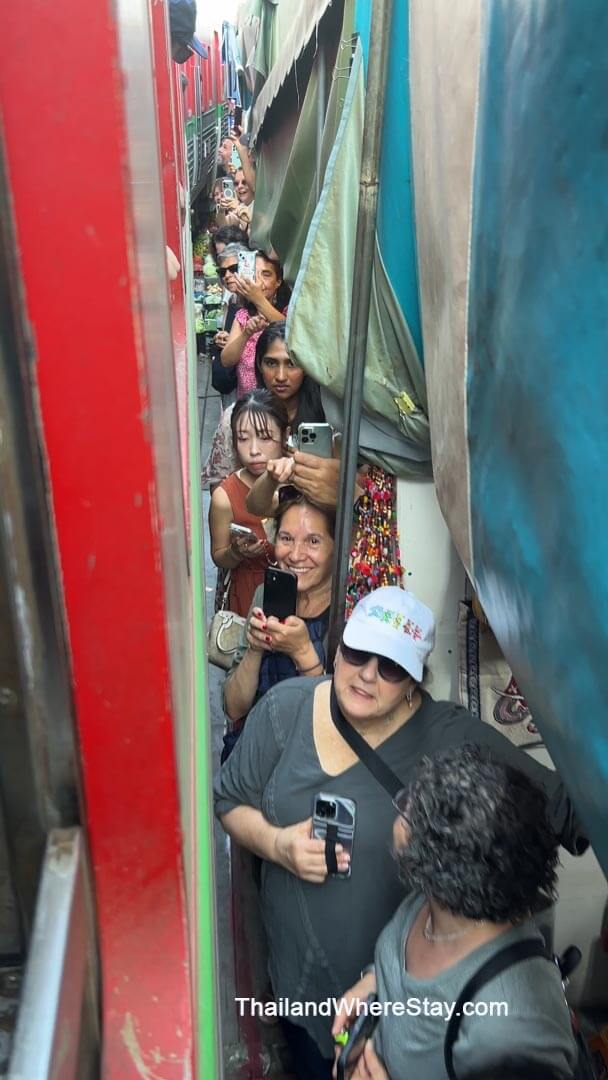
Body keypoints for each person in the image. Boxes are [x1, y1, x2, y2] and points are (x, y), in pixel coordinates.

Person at [214, 586, 586, 1080]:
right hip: (307, 995)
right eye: (357, 652)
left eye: (391, 667)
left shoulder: (449, 738)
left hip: (407, 1032)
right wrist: (276, 844)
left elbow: (560, 808)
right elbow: (228, 799)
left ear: (414, 682)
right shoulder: (285, 709)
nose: (367, 674)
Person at [332, 744, 577, 1079]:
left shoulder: (512, 1029)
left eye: (412, 811)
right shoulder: (437, 900)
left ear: (445, 867)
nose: (403, 807)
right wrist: (375, 983)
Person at [223, 493, 334, 728]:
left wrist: (303, 652)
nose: (295, 555)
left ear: (336, 547)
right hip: (256, 745)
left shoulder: (348, 608)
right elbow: (233, 708)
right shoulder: (266, 594)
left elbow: (331, 725)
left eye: (313, 541)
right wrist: (255, 647)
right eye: (286, 538)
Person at [209, 391, 288, 618]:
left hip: (297, 591)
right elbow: (218, 554)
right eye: (243, 438)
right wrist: (236, 552)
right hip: (247, 597)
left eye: (265, 437)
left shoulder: (300, 485)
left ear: (285, 435)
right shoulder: (225, 496)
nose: (254, 450)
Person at [221, 252, 291, 398]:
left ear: (278, 281)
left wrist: (257, 298)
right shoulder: (243, 315)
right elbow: (226, 360)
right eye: (255, 274)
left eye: (266, 274)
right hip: (249, 403)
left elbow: (289, 333)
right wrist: (247, 333)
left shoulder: (288, 312)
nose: (258, 281)